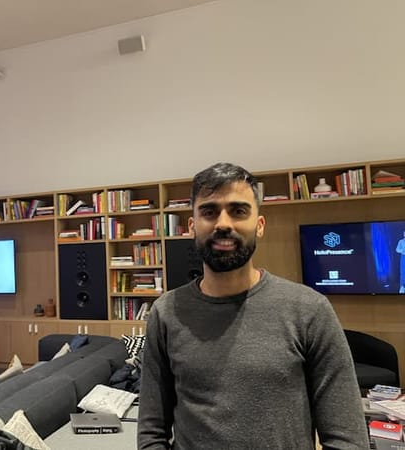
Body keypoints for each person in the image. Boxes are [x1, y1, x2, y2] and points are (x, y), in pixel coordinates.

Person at [138, 162, 369, 449]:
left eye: (238, 211)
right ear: (192, 227)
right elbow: (151, 431)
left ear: (259, 226)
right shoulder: (166, 312)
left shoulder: (309, 309)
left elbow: (347, 438)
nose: (223, 224)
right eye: (209, 212)